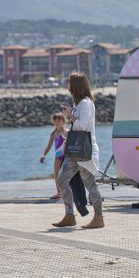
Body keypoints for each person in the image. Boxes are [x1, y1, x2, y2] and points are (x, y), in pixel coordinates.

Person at [52, 72, 104, 229]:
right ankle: (69, 215)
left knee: (90, 184)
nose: (67, 85)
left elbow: (82, 126)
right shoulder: (80, 103)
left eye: (69, 82)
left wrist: (70, 116)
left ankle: (99, 218)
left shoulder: (86, 103)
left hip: (84, 152)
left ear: (76, 85)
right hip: (76, 152)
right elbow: (77, 128)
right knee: (62, 180)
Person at [41, 113, 68, 199]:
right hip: (58, 156)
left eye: (59, 120)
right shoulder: (53, 133)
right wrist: (43, 154)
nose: (57, 122)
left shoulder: (66, 132)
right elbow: (49, 146)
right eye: (55, 120)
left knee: (67, 174)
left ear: (63, 121)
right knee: (56, 174)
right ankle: (58, 192)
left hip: (66, 156)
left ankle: (69, 192)